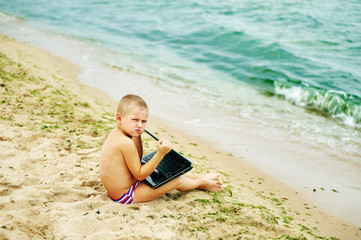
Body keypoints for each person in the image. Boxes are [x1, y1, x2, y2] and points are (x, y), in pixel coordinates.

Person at [100, 94, 223, 204]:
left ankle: (198, 176)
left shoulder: (118, 134)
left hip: (127, 184)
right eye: (135, 120)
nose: (140, 125)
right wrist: (160, 153)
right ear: (119, 118)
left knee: (167, 172)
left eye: (144, 121)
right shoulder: (125, 143)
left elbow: (138, 157)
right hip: (126, 194)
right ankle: (201, 183)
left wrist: (137, 135)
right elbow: (140, 175)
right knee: (177, 180)